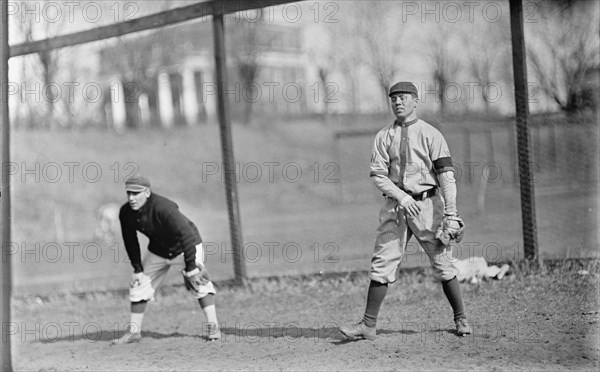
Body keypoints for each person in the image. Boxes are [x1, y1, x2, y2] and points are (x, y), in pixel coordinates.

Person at [340, 81, 471, 340]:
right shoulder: (383, 136)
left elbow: (446, 176)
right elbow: (378, 176)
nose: (398, 102)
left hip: (427, 205)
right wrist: (400, 196)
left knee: (443, 263)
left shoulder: (431, 134)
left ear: (415, 100)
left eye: (403, 97)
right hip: (395, 206)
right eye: (394, 98)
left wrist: (451, 214)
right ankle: (368, 325)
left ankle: (461, 318)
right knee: (382, 262)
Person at [111, 175, 221, 344]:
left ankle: (213, 328)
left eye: (136, 193)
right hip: (159, 250)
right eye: (129, 193)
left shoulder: (163, 208)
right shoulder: (126, 213)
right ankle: (134, 332)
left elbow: (187, 235)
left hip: (186, 246)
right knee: (139, 285)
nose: (132, 198)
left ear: (147, 192)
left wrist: (191, 266)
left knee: (199, 282)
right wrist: (137, 269)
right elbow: (130, 240)